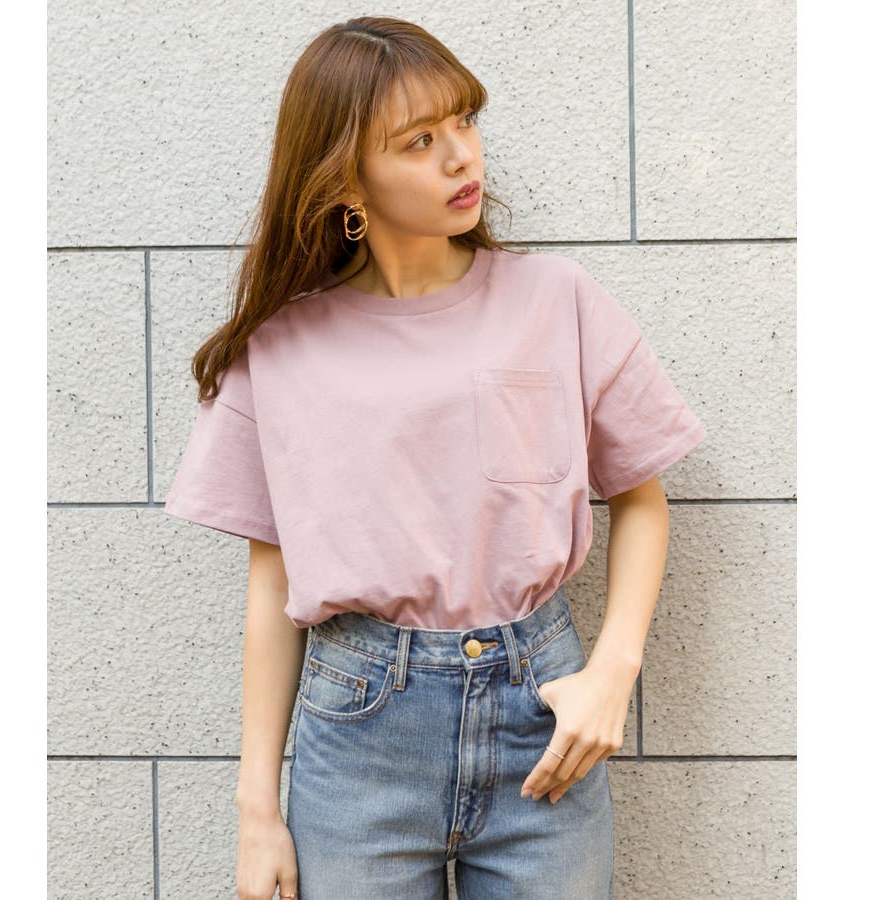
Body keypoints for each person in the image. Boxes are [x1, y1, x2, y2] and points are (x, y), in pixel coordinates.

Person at [164, 15, 707, 900]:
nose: (462, 157)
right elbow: (273, 579)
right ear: (347, 177)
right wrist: (255, 808)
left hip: (545, 719)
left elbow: (642, 499)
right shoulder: (284, 347)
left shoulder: (554, 299)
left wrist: (612, 673)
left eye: (465, 120)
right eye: (419, 141)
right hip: (359, 739)